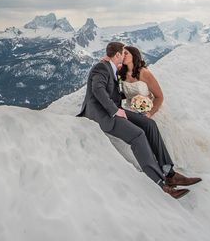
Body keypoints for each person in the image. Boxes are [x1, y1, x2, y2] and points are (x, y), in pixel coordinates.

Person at [78, 42, 201, 199]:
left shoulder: (114, 68)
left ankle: (169, 172)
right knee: (138, 135)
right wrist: (115, 110)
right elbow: (98, 89)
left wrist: (141, 100)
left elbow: (116, 91)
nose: (124, 55)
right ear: (117, 55)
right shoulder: (102, 67)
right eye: (123, 53)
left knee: (149, 124)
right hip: (102, 115)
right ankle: (161, 183)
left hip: (116, 110)